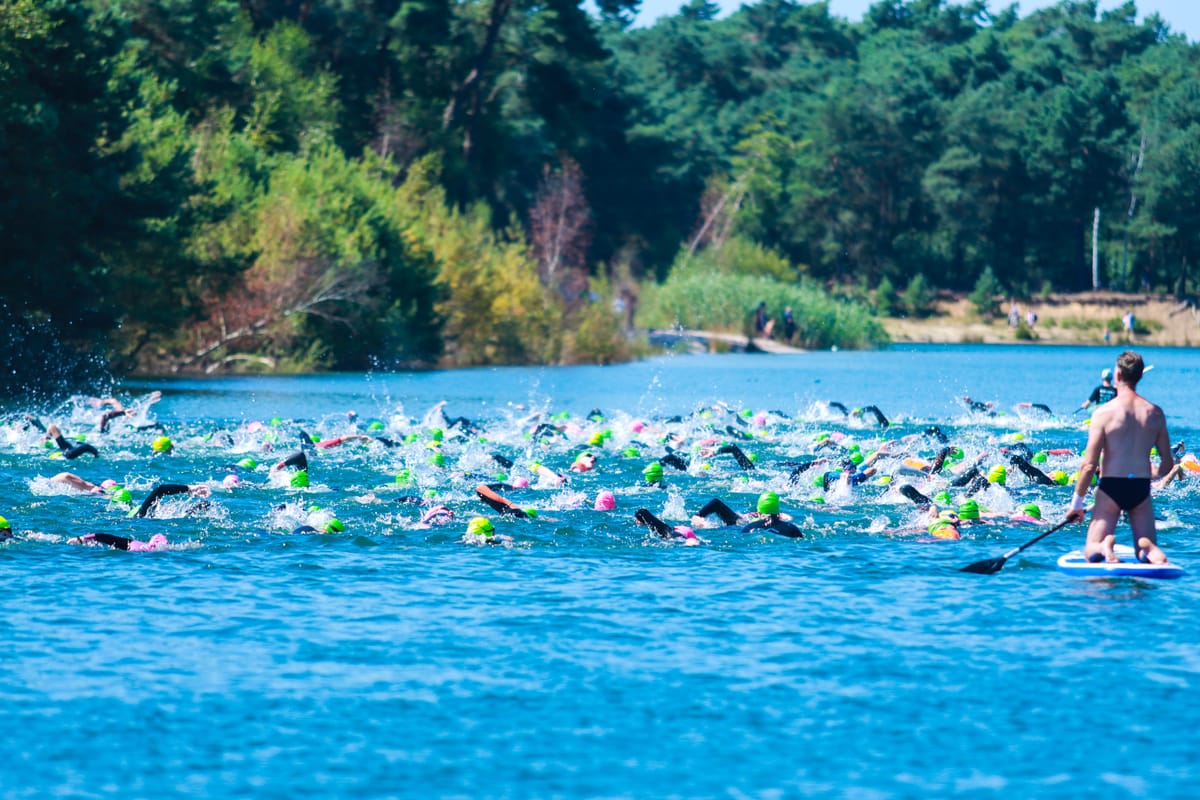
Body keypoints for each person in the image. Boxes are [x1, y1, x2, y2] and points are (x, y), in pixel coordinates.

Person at [1065, 351, 1173, 564]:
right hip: (1140, 487)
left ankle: (1104, 545)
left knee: (1091, 551)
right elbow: (1167, 464)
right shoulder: (1155, 413)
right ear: (1139, 376)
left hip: (1111, 487)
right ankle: (1148, 548)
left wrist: (1076, 505)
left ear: (1117, 375)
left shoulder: (1103, 413)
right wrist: (1150, 472)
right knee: (1145, 550)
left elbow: (1089, 466)